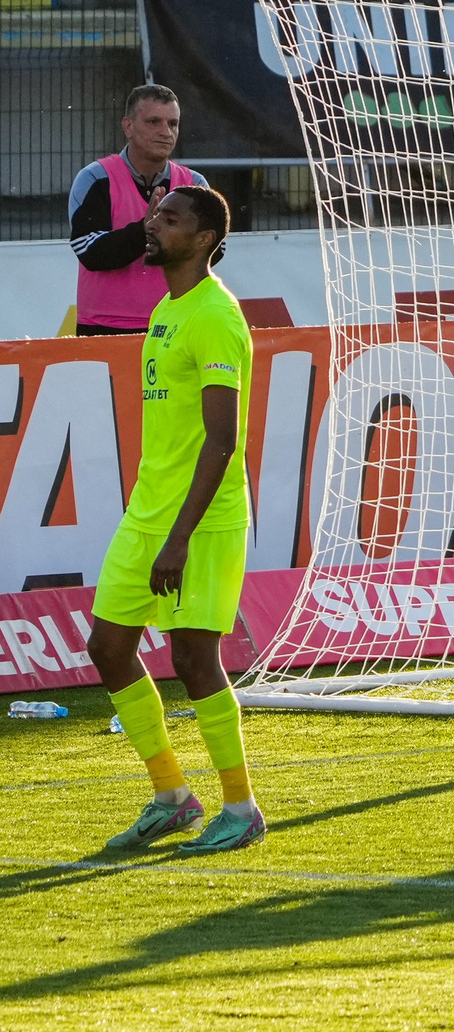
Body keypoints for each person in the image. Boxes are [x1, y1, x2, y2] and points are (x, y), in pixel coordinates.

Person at [95, 185, 263, 854]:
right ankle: (172, 795)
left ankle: (241, 806)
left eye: (170, 219)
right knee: (107, 647)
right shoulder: (168, 309)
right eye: (154, 214)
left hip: (202, 519)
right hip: (149, 511)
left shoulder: (216, 317)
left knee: (194, 656)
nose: (152, 223)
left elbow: (222, 441)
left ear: (202, 239)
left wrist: (179, 535)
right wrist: (153, 519)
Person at [70, 84, 205, 337]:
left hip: (177, 323)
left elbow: (213, 249)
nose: (166, 132)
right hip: (104, 327)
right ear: (128, 126)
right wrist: (146, 231)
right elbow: (89, 252)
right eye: (154, 121)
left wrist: (155, 233)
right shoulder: (96, 178)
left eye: (173, 124)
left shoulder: (194, 184)